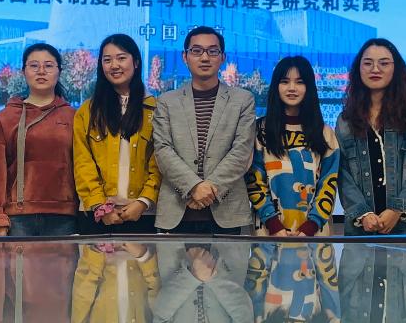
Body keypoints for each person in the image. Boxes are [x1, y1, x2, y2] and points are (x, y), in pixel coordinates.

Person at [151, 26, 256, 235]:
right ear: (185, 57)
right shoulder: (166, 102)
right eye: (197, 51)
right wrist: (193, 187)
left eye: (213, 51)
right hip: (176, 212)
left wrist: (208, 189)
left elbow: (241, 152)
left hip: (227, 212)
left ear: (223, 57)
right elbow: (163, 150)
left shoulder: (243, 100)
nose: (205, 57)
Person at [0, 43, 77, 236]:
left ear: (59, 71)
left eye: (48, 65)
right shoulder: (6, 118)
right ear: (23, 71)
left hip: (64, 217)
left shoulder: (73, 117)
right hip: (18, 218)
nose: (41, 71)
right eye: (34, 65)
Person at [337, 38, 406, 236]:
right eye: (368, 63)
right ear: (358, 69)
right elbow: (343, 174)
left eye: (384, 63)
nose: (375, 69)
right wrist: (364, 214)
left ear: (396, 69)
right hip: (360, 229)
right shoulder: (345, 120)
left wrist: (396, 209)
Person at [73, 34, 161, 234]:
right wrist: (101, 205)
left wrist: (143, 201)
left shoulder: (156, 109)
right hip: (97, 214)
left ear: (135, 62)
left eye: (121, 58)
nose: (114, 65)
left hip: (143, 213)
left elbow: (159, 161)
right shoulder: (87, 112)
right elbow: (82, 162)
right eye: (107, 60)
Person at [246, 55, 339, 236]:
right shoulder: (259, 130)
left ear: (309, 87)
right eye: (285, 81)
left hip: (314, 235)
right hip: (268, 233)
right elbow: (254, 181)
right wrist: (274, 224)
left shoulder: (325, 133)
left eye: (299, 82)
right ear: (276, 86)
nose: (292, 88)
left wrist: (311, 226)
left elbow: (328, 184)